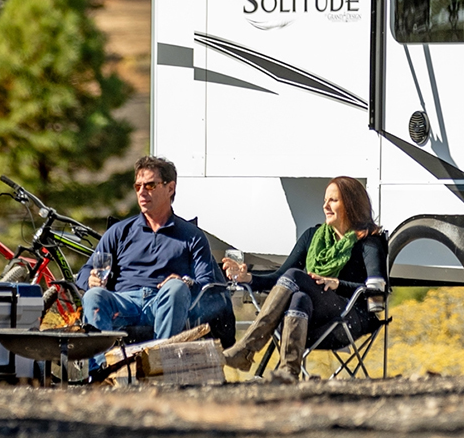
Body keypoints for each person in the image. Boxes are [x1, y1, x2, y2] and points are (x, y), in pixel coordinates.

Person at [221, 176, 386, 381]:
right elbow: (279, 279)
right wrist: (249, 278)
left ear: (351, 203)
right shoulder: (312, 236)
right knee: (299, 297)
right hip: (307, 324)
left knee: (296, 277)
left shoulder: (368, 242)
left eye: (333, 200)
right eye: (325, 200)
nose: (325, 205)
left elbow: (378, 290)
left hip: (346, 322)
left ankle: (246, 348)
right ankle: (288, 371)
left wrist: (338, 284)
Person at [78, 156, 219, 346]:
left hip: (163, 301)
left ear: (170, 188)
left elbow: (206, 283)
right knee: (93, 296)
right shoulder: (119, 232)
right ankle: (100, 370)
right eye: (138, 186)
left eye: (150, 186)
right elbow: (85, 271)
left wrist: (184, 282)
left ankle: (160, 361)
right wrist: (90, 279)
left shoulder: (192, 236)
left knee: (176, 288)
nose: (142, 192)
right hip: (123, 302)